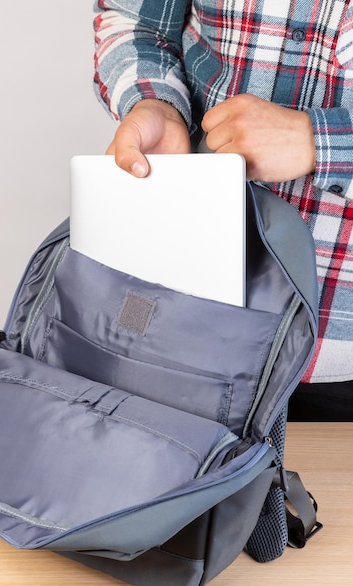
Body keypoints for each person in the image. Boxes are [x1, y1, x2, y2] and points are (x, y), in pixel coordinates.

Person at [93, 0, 353, 420]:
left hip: (340, 355)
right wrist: (156, 102)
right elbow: (134, 21)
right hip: (181, 311)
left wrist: (322, 142)